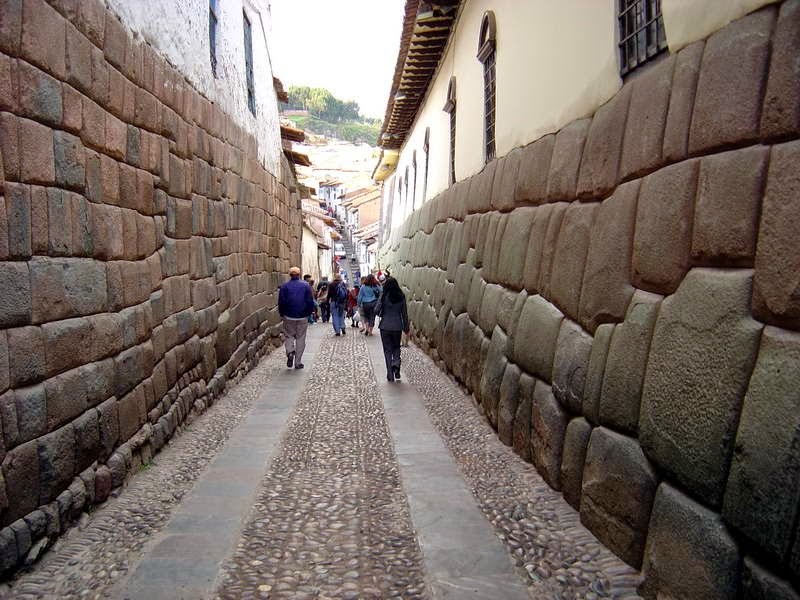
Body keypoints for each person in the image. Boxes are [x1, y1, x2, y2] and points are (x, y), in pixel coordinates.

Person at [278, 266, 315, 369]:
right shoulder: (306, 286)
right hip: (302, 316)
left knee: (289, 336)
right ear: (299, 275)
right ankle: (298, 362)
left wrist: (282, 313)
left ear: (290, 275)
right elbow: (309, 301)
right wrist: (309, 312)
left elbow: (281, 302)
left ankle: (290, 352)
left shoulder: (284, 287)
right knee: (300, 338)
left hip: (288, 316)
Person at [376, 277, 409, 382]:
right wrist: (406, 327)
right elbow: (404, 314)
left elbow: (376, 310)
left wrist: (382, 311)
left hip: (385, 326)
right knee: (396, 347)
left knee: (387, 350)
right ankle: (396, 364)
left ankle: (390, 374)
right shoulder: (401, 296)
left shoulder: (384, 295)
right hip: (397, 326)